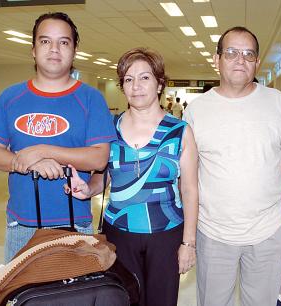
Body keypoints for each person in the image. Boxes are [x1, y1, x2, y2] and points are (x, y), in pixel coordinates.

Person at [183, 26, 281, 306]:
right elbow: (188, 178)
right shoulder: (196, 110)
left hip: (268, 231)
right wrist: (188, 238)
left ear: (256, 62)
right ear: (217, 60)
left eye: (248, 54)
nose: (240, 60)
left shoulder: (277, 103)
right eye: (231, 53)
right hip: (213, 232)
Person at [0, 12, 116, 263]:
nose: (54, 49)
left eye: (64, 42)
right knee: (23, 300)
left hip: (75, 224)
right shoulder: (11, 97)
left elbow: (99, 157)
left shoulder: (90, 99)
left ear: (74, 51)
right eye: (45, 41)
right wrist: (31, 162)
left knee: (75, 301)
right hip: (22, 225)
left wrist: (43, 150)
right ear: (33, 49)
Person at [65, 47, 199, 306]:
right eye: (129, 79)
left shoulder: (180, 132)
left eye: (145, 77)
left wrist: (189, 244)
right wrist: (88, 189)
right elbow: (102, 177)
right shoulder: (109, 127)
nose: (136, 86)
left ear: (160, 84)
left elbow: (190, 189)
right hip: (119, 233)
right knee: (123, 300)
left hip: (166, 233)